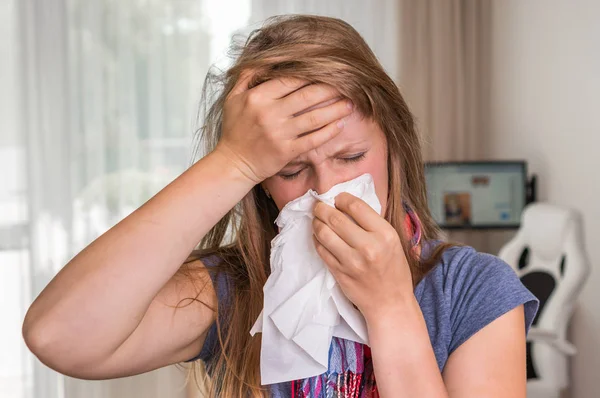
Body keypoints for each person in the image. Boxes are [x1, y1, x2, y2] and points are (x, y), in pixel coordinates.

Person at [22, 15, 538, 398]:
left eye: (351, 156)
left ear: (394, 145)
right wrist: (233, 161)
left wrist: (390, 307)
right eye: (291, 171)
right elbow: (58, 336)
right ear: (262, 184)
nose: (327, 190)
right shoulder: (236, 289)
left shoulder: (474, 292)